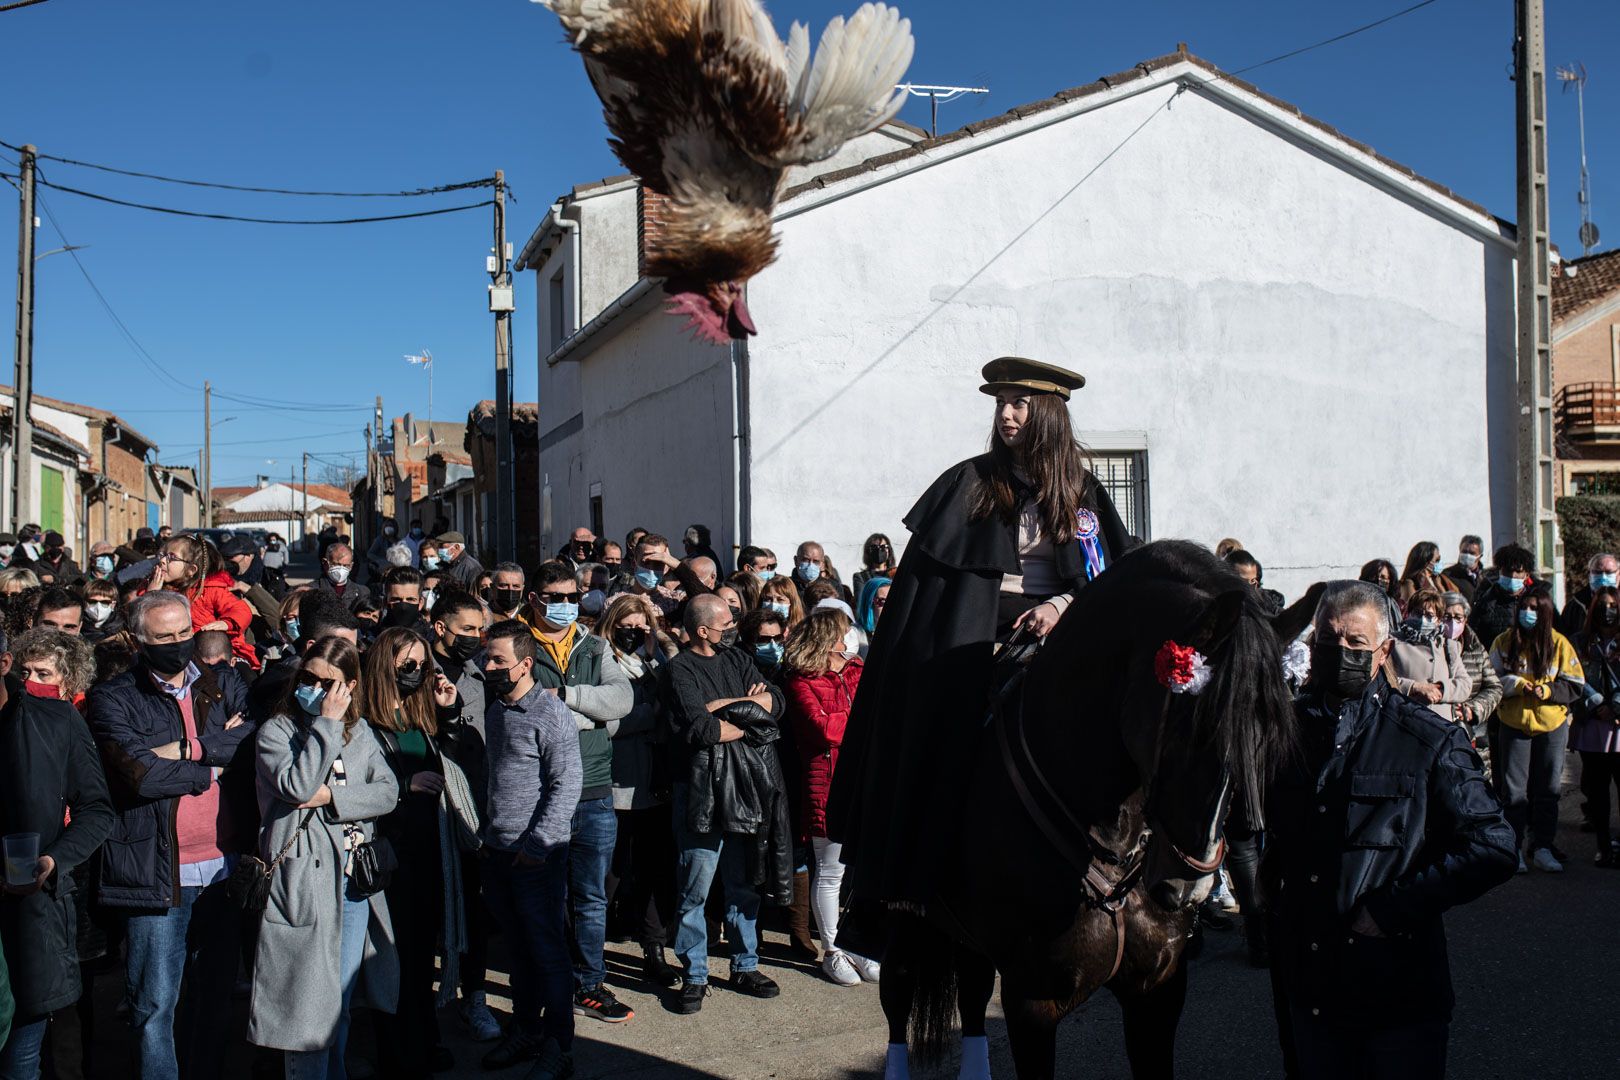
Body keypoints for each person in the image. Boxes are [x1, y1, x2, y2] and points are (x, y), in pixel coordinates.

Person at [830, 357, 1133, 914]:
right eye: (1000, 403)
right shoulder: (969, 481)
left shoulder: (1082, 491)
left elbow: (1102, 578)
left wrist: (1062, 606)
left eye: (1018, 404)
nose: (1006, 414)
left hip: (1061, 631)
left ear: (1047, 415)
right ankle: (920, 880)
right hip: (972, 633)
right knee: (940, 720)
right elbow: (929, 591)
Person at [1264, 581, 1515, 1079]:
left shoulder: (1427, 741)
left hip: (1395, 996)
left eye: (1355, 643)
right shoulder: (1284, 735)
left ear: (1383, 652)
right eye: (1327, 641)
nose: (1340, 653)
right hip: (1308, 989)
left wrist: (1392, 908)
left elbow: (1493, 846)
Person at [85, 590, 254, 1080]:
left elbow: (250, 744)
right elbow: (138, 775)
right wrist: (212, 767)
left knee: (214, 999)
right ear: (140, 641)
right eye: (165, 637)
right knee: (154, 1005)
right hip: (157, 872)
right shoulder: (113, 697)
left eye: (185, 633)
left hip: (223, 868)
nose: (179, 644)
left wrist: (185, 747)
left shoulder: (225, 682)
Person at [249, 635, 401, 1080]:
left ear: (350, 686)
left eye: (328, 683)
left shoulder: (362, 733)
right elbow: (296, 787)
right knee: (307, 1012)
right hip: (304, 883)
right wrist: (327, 726)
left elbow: (388, 791)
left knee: (339, 1001)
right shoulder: (277, 732)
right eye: (308, 678)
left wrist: (333, 796)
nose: (315, 689)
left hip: (355, 882)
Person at [518, 562, 635, 1024]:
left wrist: (564, 697)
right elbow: (520, 714)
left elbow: (621, 702)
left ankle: (590, 984)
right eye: (554, 596)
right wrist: (595, 715)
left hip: (594, 789)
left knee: (591, 897)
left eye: (572, 596)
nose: (565, 605)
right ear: (534, 598)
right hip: (542, 793)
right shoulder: (515, 645)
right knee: (546, 895)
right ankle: (550, 980)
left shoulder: (593, 645)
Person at [662, 593, 788, 1014]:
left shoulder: (737, 660)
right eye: (724, 624)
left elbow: (776, 705)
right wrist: (748, 713)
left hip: (745, 784)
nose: (731, 628)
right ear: (702, 630)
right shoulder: (680, 669)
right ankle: (695, 974)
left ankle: (744, 964)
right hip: (699, 789)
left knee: (743, 883)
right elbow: (701, 729)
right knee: (695, 886)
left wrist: (726, 709)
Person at [0, 630, 113, 1079]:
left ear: (4, 662)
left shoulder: (56, 720)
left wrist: (53, 860)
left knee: (21, 1057)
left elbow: (96, 810)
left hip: (31, 915)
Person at [478, 620, 582, 1080]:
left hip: (536, 855)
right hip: (499, 850)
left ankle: (559, 1045)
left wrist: (537, 846)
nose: (489, 666)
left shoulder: (549, 713)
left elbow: (567, 785)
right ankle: (526, 1030)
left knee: (547, 951)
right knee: (518, 949)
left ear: (525, 663)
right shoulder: (499, 707)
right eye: (487, 658)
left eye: (498, 659)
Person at [361, 628, 464, 1077]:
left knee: (423, 955)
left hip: (428, 850)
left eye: (422, 664)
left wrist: (449, 707)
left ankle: (425, 1038)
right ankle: (399, 1051)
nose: (417, 672)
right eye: (407, 665)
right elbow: (357, 789)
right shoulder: (365, 722)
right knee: (393, 958)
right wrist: (407, 787)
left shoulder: (419, 713)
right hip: (391, 854)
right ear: (385, 667)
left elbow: (459, 755)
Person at [780, 608, 880, 988]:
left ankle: (857, 943)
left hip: (862, 780)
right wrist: (859, 718)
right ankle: (833, 950)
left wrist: (855, 717)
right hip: (826, 780)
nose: (850, 639)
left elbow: (877, 714)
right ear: (828, 640)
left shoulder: (857, 671)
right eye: (843, 633)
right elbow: (823, 729)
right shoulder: (800, 681)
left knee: (862, 868)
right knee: (831, 869)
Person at [423, 590, 501, 1042]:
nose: (475, 638)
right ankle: (422, 1004)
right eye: (466, 630)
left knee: (472, 906)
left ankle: (473, 996)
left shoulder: (481, 674)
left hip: (473, 804)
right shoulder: (412, 668)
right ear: (440, 627)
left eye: (479, 630)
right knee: (426, 909)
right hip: (424, 805)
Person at [596, 594, 682, 988]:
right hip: (617, 784)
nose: (633, 633)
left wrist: (657, 645)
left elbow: (675, 699)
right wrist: (649, 716)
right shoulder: (600, 661)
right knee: (610, 872)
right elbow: (607, 722)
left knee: (652, 869)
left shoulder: (653, 662)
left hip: (655, 784)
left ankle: (654, 947)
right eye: (626, 626)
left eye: (640, 626)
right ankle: (588, 950)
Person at [1490, 586, 1583, 873]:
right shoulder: (1504, 642)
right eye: (1524, 608)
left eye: (1534, 608)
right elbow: (1491, 680)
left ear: (1544, 612)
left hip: (1551, 725)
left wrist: (1548, 690)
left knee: (1548, 790)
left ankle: (1542, 846)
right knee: (1514, 793)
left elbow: (1574, 684)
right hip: (1514, 724)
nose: (1527, 613)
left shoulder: (1559, 644)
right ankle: (1513, 848)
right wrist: (1515, 685)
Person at [158, 536, 260, 672]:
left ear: (191, 570)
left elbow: (241, 610)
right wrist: (151, 592)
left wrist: (227, 623)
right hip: (182, 656)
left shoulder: (210, 589)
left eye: (171, 557)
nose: (162, 561)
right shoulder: (156, 585)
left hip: (221, 653)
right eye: (161, 555)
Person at [1572, 587, 1620, 868]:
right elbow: (1575, 676)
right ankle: (1604, 845)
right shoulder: (1580, 641)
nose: (1608, 610)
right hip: (1593, 725)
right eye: (1602, 605)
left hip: (1617, 721)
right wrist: (1598, 704)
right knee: (1598, 790)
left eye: (1613, 605)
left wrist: (1616, 706)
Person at [1386, 589, 1472, 720]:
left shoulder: (1448, 646)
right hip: (1404, 720)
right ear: (1408, 614)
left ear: (1438, 620)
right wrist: (1415, 687)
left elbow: (1465, 684)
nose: (1422, 620)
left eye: (1429, 616)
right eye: (1418, 613)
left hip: (1440, 724)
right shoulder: (1393, 642)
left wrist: (1439, 689)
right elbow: (1383, 679)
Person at [1441, 592, 1502, 740]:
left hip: (1471, 732)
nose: (1452, 622)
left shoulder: (1475, 649)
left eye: (1458, 617)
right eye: (1446, 617)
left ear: (1465, 620)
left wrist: (1473, 709)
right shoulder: (1426, 648)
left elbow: (1494, 687)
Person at [1469, 543, 1534, 650]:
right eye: (1508, 570)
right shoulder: (1485, 601)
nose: (1513, 575)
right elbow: (1473, 636)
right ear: (1500, 571)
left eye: (1518, 571)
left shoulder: (1538, 601)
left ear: (1527, 574)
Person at [1559, 551, 1618, 638]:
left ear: (1618, 574)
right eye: (1598, 572)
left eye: (1609, 572)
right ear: (1589, 574)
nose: (1603, 577)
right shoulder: (1575, 606)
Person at [1394, 541, 1457, 613]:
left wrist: (1438, 585)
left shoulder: (1437, 580)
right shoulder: (1409, 583)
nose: (1439, 563)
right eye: (1436, 560)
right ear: (1426, 562)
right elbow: (1415, 609)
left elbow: (1450, 606)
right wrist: (1428, 587)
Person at [315, 542, 371, 616]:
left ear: (351, 566)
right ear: (325, 563)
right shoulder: (313, 590)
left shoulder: (362, 592)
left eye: (345, 565)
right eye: (336, 564)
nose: (341, 569)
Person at [379, 566, 432, 639]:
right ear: (385, 602)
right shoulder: (373, 638)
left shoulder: (431, 639)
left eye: (410, 599)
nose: (403, 607)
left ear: (420, 603)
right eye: (396, 599)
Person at [1225, 549, 1284, 614]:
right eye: (1245, 581)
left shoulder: (1267, 601)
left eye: (1253, 579)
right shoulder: (1217, 605)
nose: (1253, 584)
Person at [740, 609, 788, 677]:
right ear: (749, 643)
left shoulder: (789, 672)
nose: (773, 645)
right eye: (764, 640)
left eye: (778, 638)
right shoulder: (739, 671)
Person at [1442, 534, 1485, 603]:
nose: (1467, 555)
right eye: (1464, 552)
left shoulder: (1486, 576)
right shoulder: (1448, 575)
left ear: (1480, 556)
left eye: (1472, 553)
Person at [852, 534, 897, 599]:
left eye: (883, 547)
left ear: (889, 551)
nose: (879, 550)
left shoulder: (896, 574)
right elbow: (861, 600)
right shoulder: (860, 577)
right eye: (874, 547)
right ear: (868, 552)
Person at [80, 577, 124, 643]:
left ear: (113, 605)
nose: (98, 606)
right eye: (92, 602)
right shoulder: (76, 629)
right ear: (85, 603)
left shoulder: (122, 630)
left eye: (105, 602)